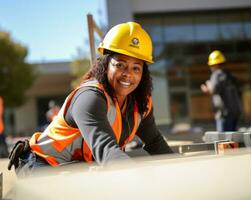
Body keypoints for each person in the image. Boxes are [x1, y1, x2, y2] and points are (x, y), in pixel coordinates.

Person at [8, 22, 174, 175]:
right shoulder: (90, 98)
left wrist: (181, 171)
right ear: (106, 64)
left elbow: (154, 142)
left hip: (74, 166)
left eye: (136, 68)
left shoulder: (141, 103)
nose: (128, 74)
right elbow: (107, 150)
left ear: (143, 73)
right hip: (41, 165)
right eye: (120, 65)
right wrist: (142, 179)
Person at [200, 50, 242, 132]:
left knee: (223, 141)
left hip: (224, 113)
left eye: (211, 65)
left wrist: (207, 88)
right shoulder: (230, 76)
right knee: (233, 140)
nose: (211, 68)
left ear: (214, 64)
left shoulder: (216, 74)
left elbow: (214, 90)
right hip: (235, 112)